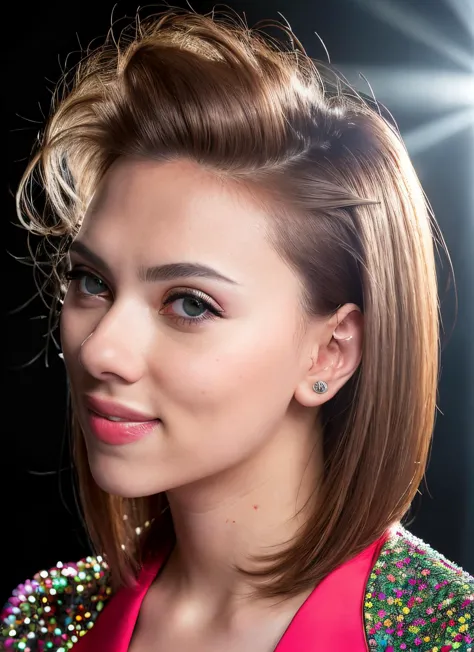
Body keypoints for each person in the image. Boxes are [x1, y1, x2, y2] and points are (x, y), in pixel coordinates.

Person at [2, 7, 473, 652]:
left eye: (190, 304)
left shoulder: (449, 636)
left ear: (329, 353)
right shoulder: (46, 625)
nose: (101, 347)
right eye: (92, 282)